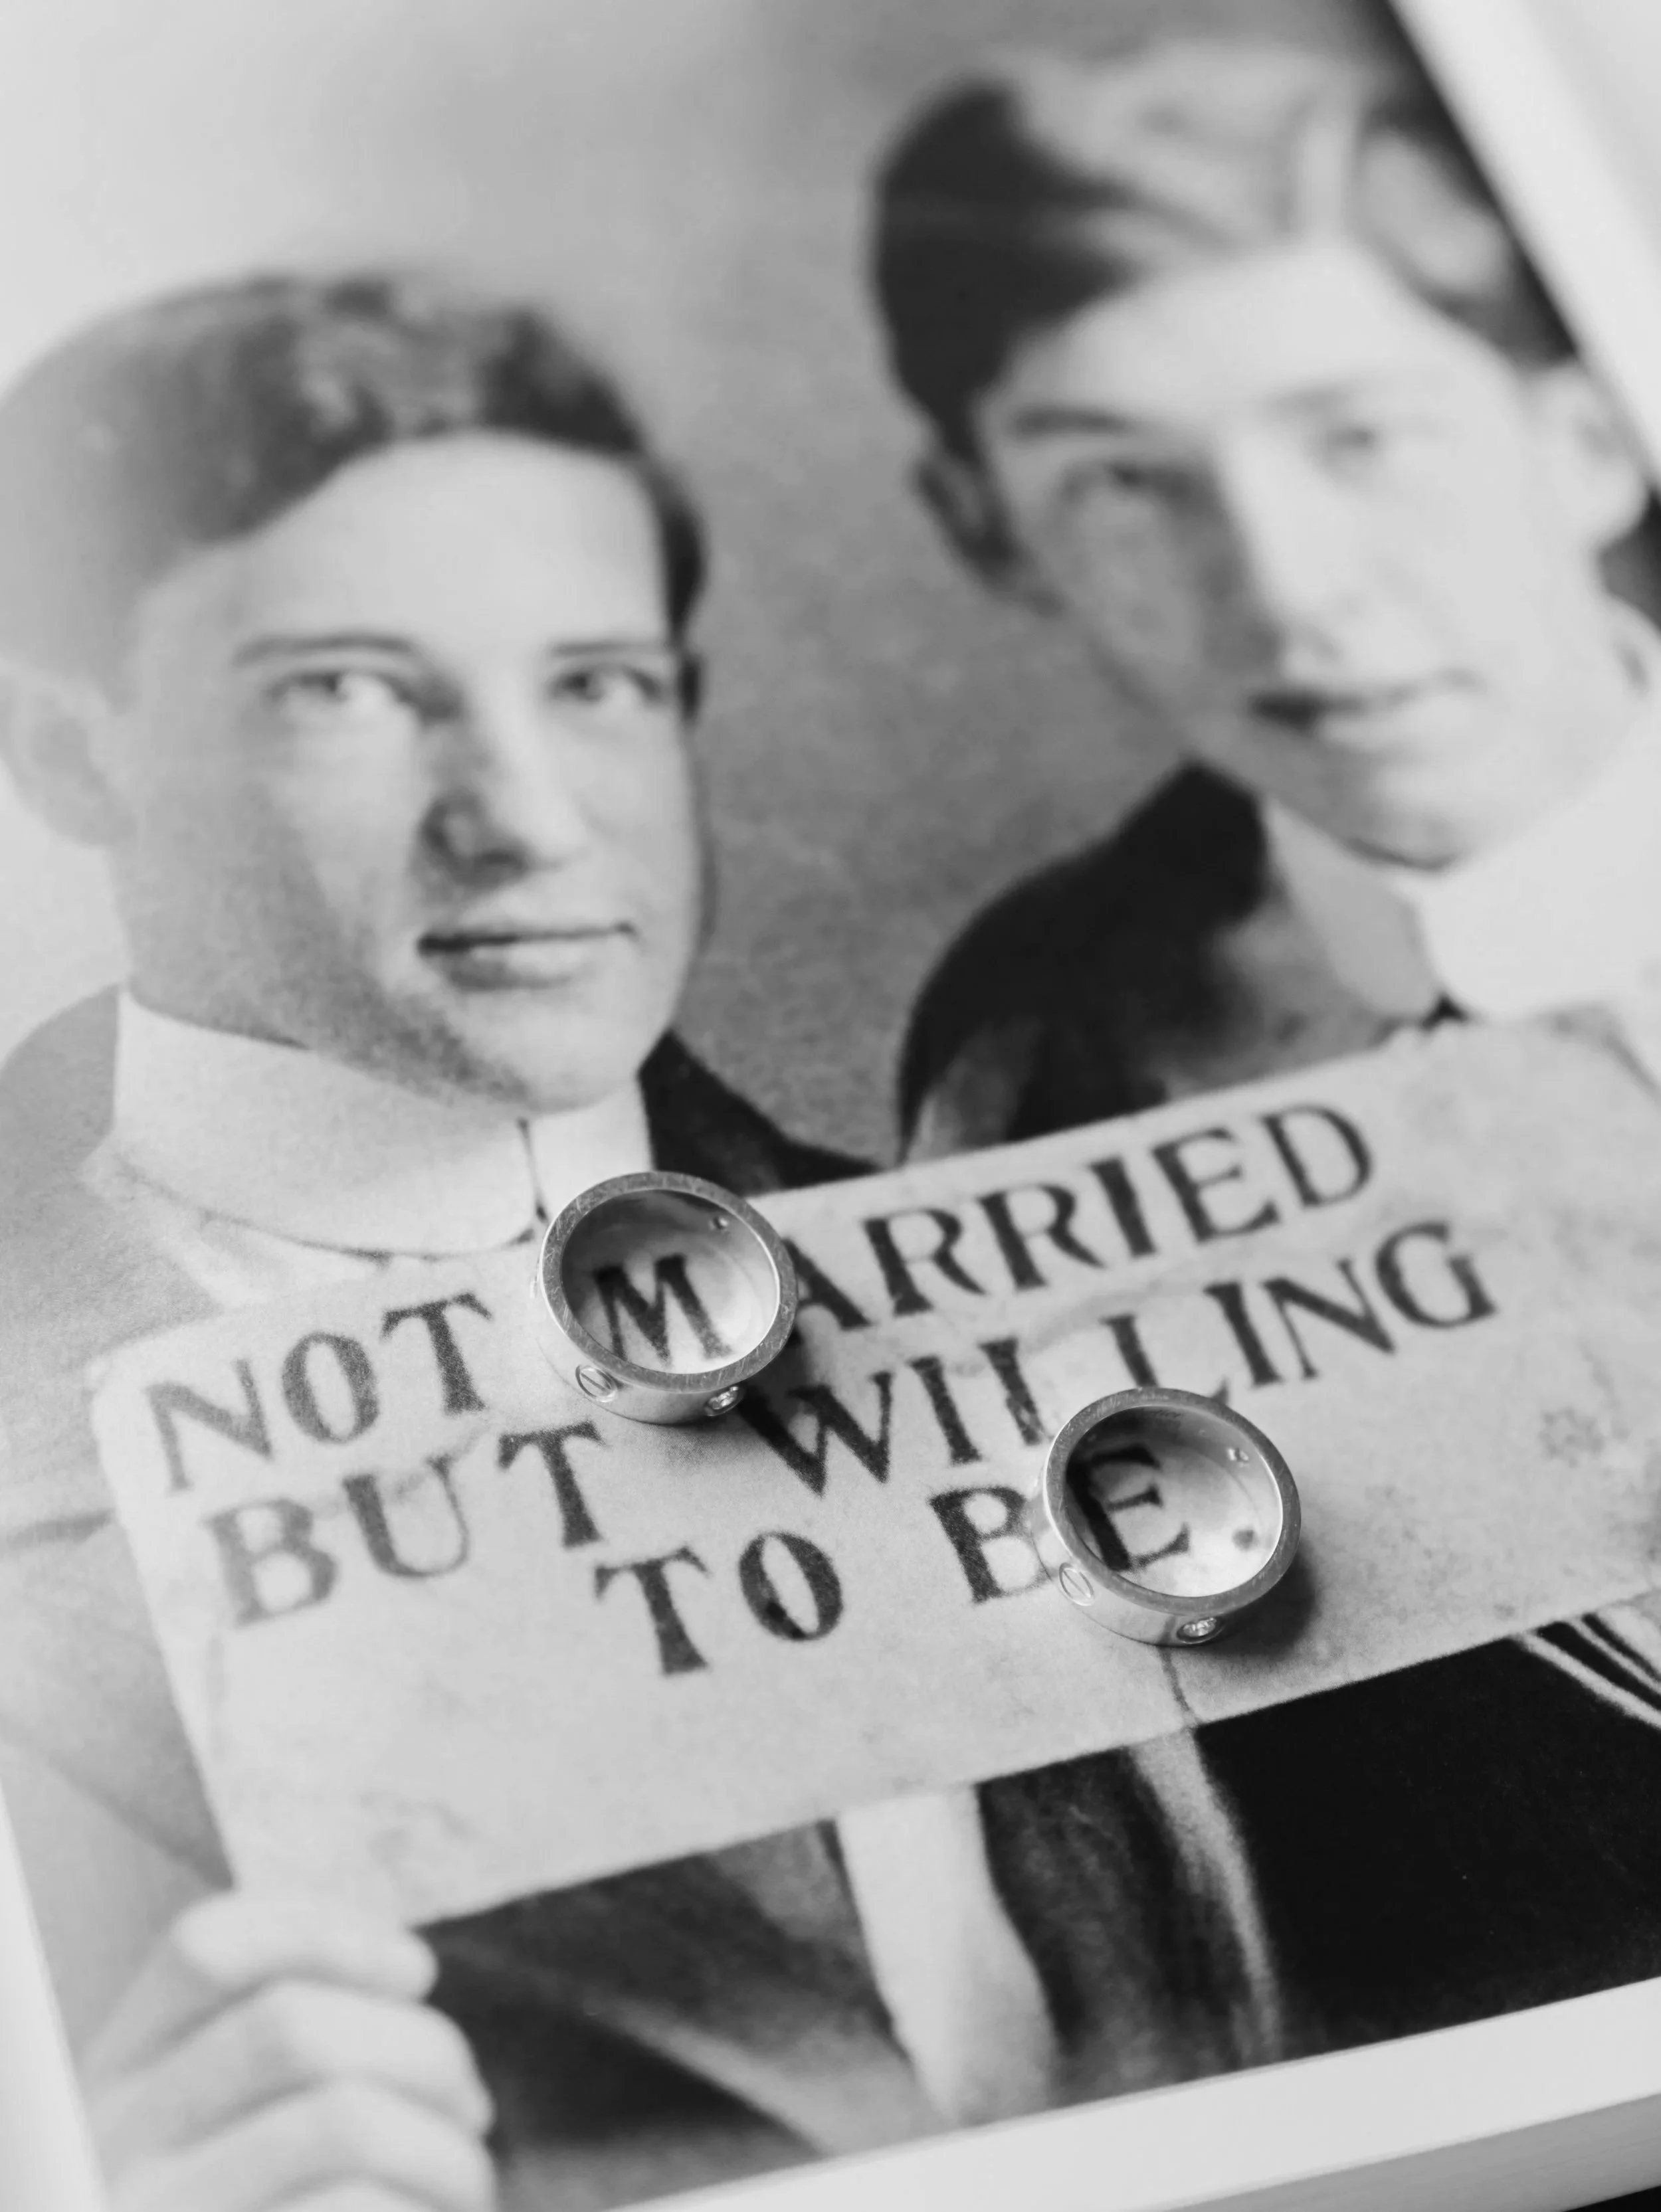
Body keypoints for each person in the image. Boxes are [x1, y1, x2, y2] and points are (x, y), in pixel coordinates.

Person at [0, 272, 1277, 2211]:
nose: (522, 820)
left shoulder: (1035, 1273)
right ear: (67, 755)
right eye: (344, 689)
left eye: (595, 685)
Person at [869, 39, 1661, 2057]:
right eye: (1124, 485)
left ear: (1580, 435)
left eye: (1364, 437)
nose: (1290, 593)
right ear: (986, 531)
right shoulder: (1036, 1053)